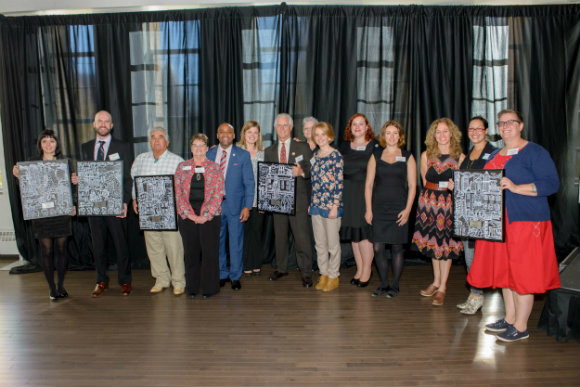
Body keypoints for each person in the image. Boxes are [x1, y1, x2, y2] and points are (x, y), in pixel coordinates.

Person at [467, 109, 560, 342]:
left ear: (521, 125)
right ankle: (509, 319)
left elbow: (551, 183)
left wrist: (517, 187)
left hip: (526, 222)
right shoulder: (496, 154)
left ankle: (521, 326)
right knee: (506, 273)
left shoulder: (535, 152)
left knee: (523, 274)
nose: (505, 126)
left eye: (511, 122)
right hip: (499, 224)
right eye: (502, 123)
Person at [12, 129, 75, 300]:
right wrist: (18, 177)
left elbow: (72, 187)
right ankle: (51, 288)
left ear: (57, 144)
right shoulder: (32, 162)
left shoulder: (65, 163)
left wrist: (73, 201)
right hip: (42, 215)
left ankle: (61, 285)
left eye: (52, 141)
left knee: (62, 250)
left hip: (61, 214)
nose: (48, 144)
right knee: (46, 251)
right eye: (44, 141)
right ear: (40, 144)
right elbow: (27, 189)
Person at [412, 117, 465, 306]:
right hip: (429, 204)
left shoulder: (460, 157)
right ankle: (435, 281)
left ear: (452, 133)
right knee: (434, 245)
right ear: (433, 135)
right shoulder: (426, 155)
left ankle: (442, 287)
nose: (442, 135)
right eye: (438, 132)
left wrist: (455, 187)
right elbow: (424, 182)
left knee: (445, 245)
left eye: (445, 131)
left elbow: (464, 187)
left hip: (448, 204)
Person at [80, 110, 133, 297]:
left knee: (121, 244)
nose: (103, 124)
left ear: (111, 125)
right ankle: (101, 280)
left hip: (116, 205)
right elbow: (84, 175)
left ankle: (125, 281)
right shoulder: (85, 148)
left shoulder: (123, 147)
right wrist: (78, 179)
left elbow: (128, 178)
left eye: (106, 121)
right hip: (94, 206)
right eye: (99, 121)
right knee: (98, 246)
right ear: (94, 124)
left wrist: (125, 201)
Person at [364, 120, 416, 298]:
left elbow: (413, 185)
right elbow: (369, 185)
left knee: (397, 248)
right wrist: (369, 210)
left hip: (399, 208)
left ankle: (395, 285)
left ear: (400, 136)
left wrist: (408, 209)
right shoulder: (375, 155)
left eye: (395, 133)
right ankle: (384, 284)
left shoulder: (408, 156)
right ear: (383, 136)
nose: (392, 136)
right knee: (378, 247)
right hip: (378, 209)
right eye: (388, 133)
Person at [131, 127, 185, 296]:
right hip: (148, 212)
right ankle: (161, 279)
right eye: (153, 137)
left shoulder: (177, 161)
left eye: (160, 137)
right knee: (154, 247)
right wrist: (134, 199)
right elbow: (134, 182)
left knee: (174, 247)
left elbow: (183, 187)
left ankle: (178, 281)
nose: (156, 140)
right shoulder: (140, 160)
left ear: (167, 142)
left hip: (170, 212)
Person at [265, 113, 314, 288]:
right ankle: (281, 268)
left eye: (286, 125)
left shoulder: (302, 147)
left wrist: (300, 172)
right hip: (278, 201)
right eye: (279, 125)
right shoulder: (269, 151)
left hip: (298, 200)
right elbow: (267, 178)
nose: (282, 128)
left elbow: (310, 170)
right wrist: (267, 200)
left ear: (291, 127)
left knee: (302, 238)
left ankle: (307, 273)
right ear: (275, 128)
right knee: (280, 237)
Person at [454, 116, 497, 314]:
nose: (475, 132)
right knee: (469, 255)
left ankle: (478, 295)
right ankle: (474, 294)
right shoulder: (469, 153)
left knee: (477, 257)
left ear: (486, 130)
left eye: (479, 129)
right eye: (471, 129)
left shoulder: (493, 153)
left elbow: (494, 182)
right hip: (466, 212)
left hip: (483, 213)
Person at [175, 134, 225, 299]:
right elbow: (178, 194)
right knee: (191, 254)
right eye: (195, 145)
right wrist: (189, 214)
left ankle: (210, 288)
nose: (198, 148)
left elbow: (218, 194)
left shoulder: (215, 168)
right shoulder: (182, 167)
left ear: (206, 147)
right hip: (187, 217)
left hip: (210, 217)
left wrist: (206, 215)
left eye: (201, 145)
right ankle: (192, 288)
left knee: (210, 253)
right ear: (191, 148)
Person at [207, 123, 254, 291]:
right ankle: (221, 274)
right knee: (217, 242)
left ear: (234, 135)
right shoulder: (209, 154)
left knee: (235, 242)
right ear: (217, 135)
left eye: (228, 132)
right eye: (221, 132)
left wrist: (248, 206)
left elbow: (249, 182)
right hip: (214, 206)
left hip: (236, 206)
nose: (225, 134)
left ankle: (235, 276)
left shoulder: (243, 155)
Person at [340, 113, 379, 288]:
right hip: (348, 194)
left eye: (361, 124)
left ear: (367, 127)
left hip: (365, 193)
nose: (357, 127)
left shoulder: (375, 147)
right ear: (350, 127)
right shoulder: (344, 146)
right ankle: (360, 268)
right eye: (354, 124)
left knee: (364, 235)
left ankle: (367, 270)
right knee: (353, 236)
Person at [309, 122, 343, 292]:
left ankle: (333, 275)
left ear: (329, 136)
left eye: (323, 134)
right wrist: (311, 203)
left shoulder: (335, 155)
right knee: (319, 244)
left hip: (331, 207)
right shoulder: (315, 155)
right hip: (316, 205)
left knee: (332, 244)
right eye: (317, 135)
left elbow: (338, 183)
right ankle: (323, 273)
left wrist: (335, 206)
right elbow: (314, 183)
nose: (320, 138)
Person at [237, 120, 266, 276]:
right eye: (249, 132)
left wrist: (264, 202)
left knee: (256, 233)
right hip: (242, 201)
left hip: (259, 201)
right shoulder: (237, 151)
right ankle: (246, 264)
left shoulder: (263, 153)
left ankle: (256, 264)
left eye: (255, 132)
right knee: (243, 234)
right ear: (244, 134)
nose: (252, 135)